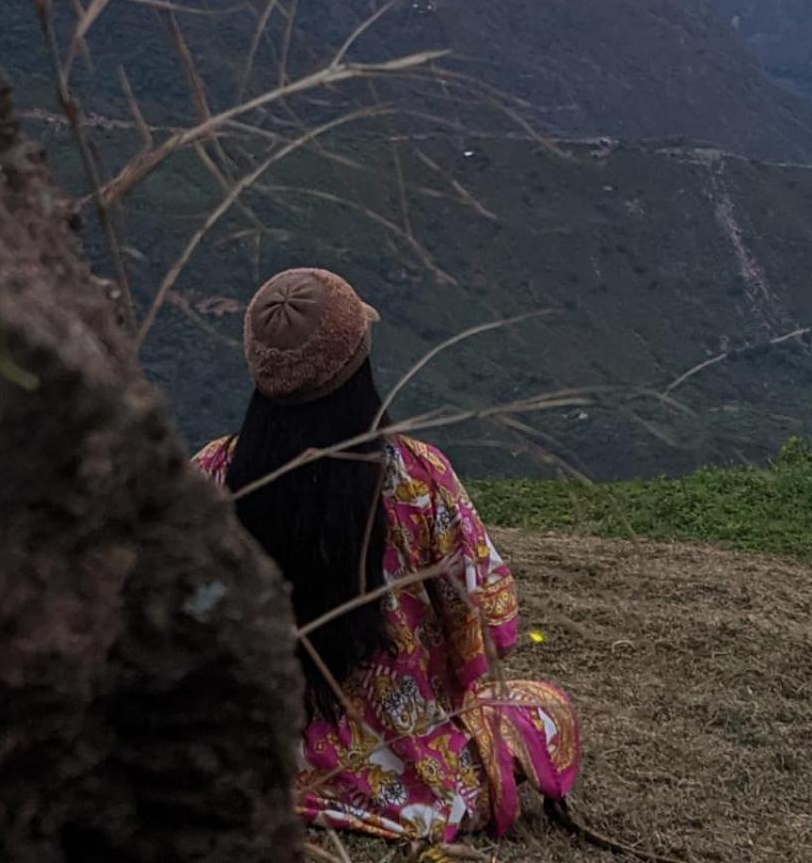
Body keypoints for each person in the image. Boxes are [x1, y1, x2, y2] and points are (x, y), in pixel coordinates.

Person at [194, 266, 580, 848]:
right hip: (412, 779)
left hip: (257, 766)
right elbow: (491, 624)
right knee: (546, 709)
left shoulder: (213, 478)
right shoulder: (419, 478)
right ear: (358, 369)